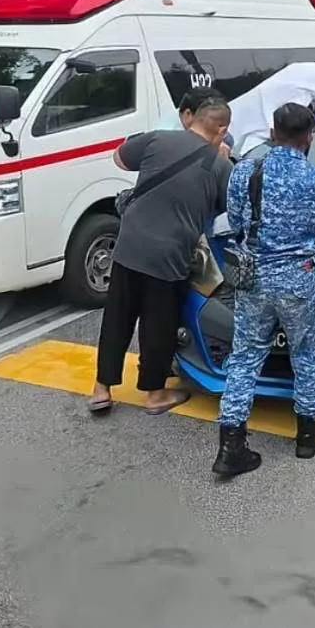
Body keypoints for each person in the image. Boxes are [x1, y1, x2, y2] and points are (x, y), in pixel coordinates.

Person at [213, 103, 315, 477]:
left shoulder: (245, 173)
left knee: (246, 357)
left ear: (272, 132)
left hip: (253, 279)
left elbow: (235, 222)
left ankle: (231, 444)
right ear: (309, 137)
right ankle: (306, 436)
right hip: (299, 279)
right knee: (307, 353)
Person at [89, 97, 233, 415]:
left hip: (129, 244)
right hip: (170, 256)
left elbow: (119, 158)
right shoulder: (220, 164)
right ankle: (154, 393)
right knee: (158, 323)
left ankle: (102, 389)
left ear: (191, 118)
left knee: (117, 317)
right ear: (221, 130)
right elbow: (222, 208)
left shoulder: (157, 138)